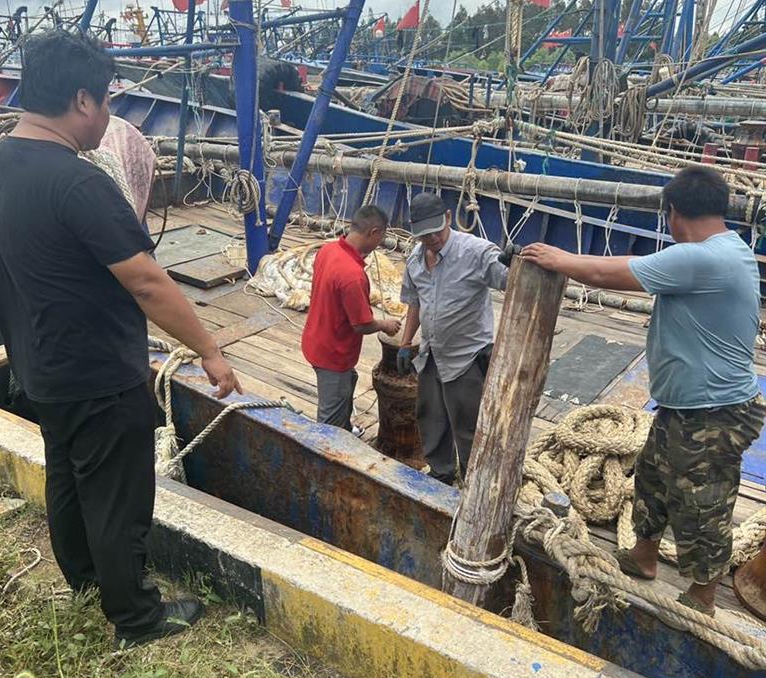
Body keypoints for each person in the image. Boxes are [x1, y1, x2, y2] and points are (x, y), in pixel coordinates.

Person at [0, 29, 241, 649]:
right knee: (116, 498)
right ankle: (135, 616)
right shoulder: (80, 183)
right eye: (106, 102)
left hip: (40, 367)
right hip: (101, 374)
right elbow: (147, 282)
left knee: (68, 477)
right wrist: (210, 350)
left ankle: (83, 578)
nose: (108, 116)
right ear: (82, 100)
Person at [521, 165, 766, 616]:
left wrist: (557, 259)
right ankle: (643, 557)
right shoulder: (728, 249)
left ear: (673, 213)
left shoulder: (704, 258)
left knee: (703, 503)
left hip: (713, 413)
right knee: (652, 477)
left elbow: (605, 272)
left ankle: (702, 598)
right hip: (686, 405)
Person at [397, 193, 511, 485]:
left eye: (437, 229)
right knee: (431, 416)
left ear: (448, 217)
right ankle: (441, 472)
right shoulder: (415, 260)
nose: (432, 237)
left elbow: (508, 279)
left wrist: (516, 263)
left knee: (468, 424)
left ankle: (475, 480)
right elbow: (415, 302)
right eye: (424, 233)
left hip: (467, 357)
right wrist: (406, 343)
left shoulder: (476, 252)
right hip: (431, 353)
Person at [302, 205, 401, 431]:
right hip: (332, 355)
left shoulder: (327, 251)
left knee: (347, 385)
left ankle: (344, 427)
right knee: (329, 421)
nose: (379, 244)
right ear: (373, 232)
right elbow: (362, 324)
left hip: (315, 340)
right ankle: (329, 449)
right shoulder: (352, 276)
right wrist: (385, 324)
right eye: (381, 237)